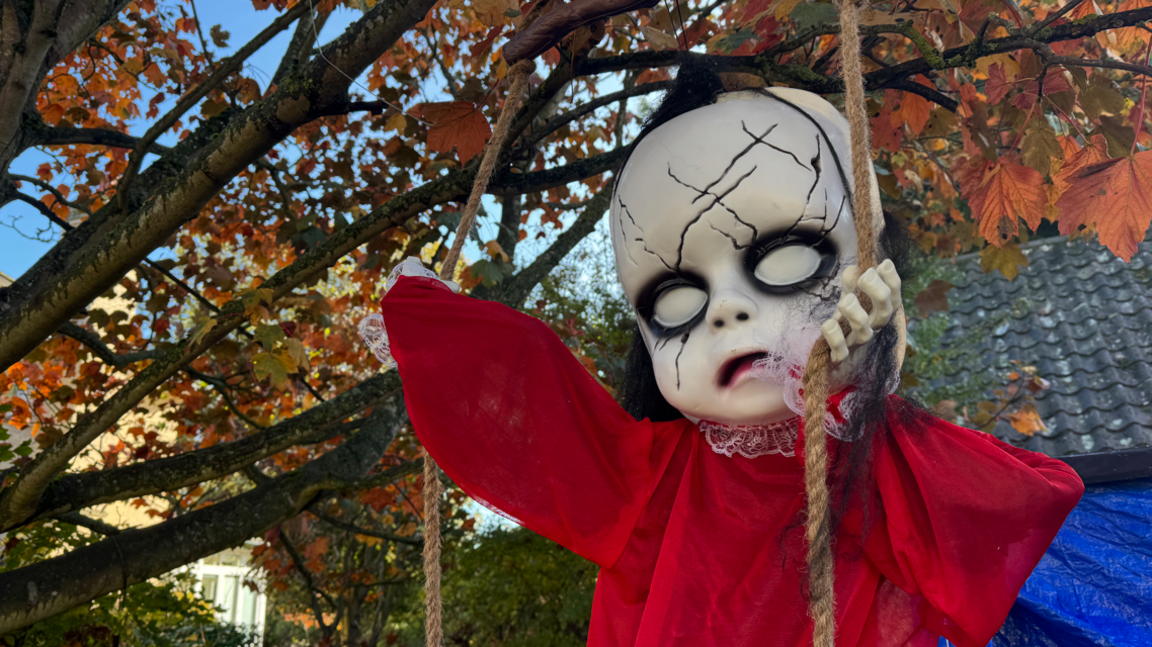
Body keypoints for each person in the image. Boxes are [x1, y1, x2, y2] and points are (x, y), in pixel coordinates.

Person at [360, 64, 1084, 647]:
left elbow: (1020, 498)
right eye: (673, 299)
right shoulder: (646, 483)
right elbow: (531, 387)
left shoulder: (876, 467)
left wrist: (859, 391)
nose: (728, 310)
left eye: (790, 256)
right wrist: (432, 319)